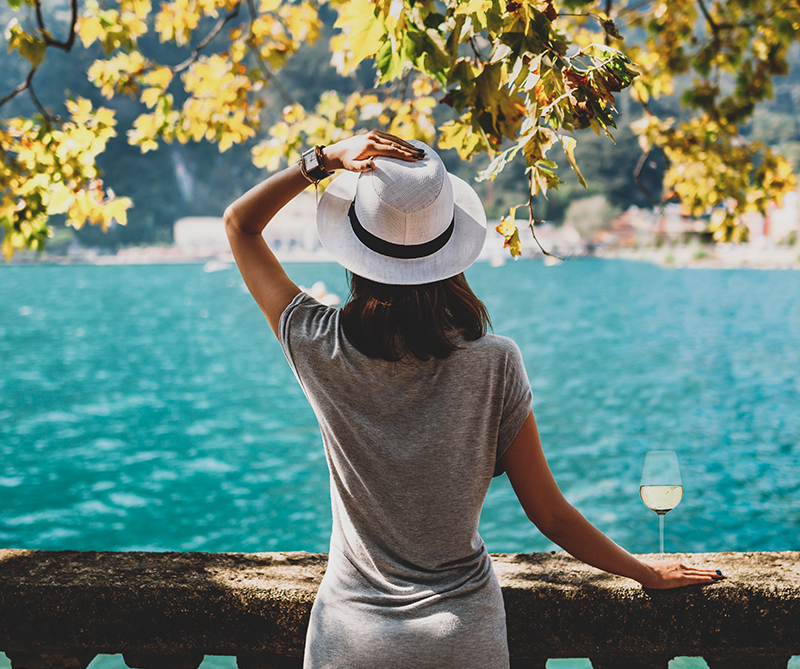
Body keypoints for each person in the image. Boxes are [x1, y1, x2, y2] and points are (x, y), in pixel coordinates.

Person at [224, 131, 722, 669]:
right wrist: (646, 572)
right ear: (450, 249)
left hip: (351, 639)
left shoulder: (320, 345)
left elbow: (240, 225)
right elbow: (550, 516)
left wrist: (322, 161)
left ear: (356, 248)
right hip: (463, 639)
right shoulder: (495, 362)